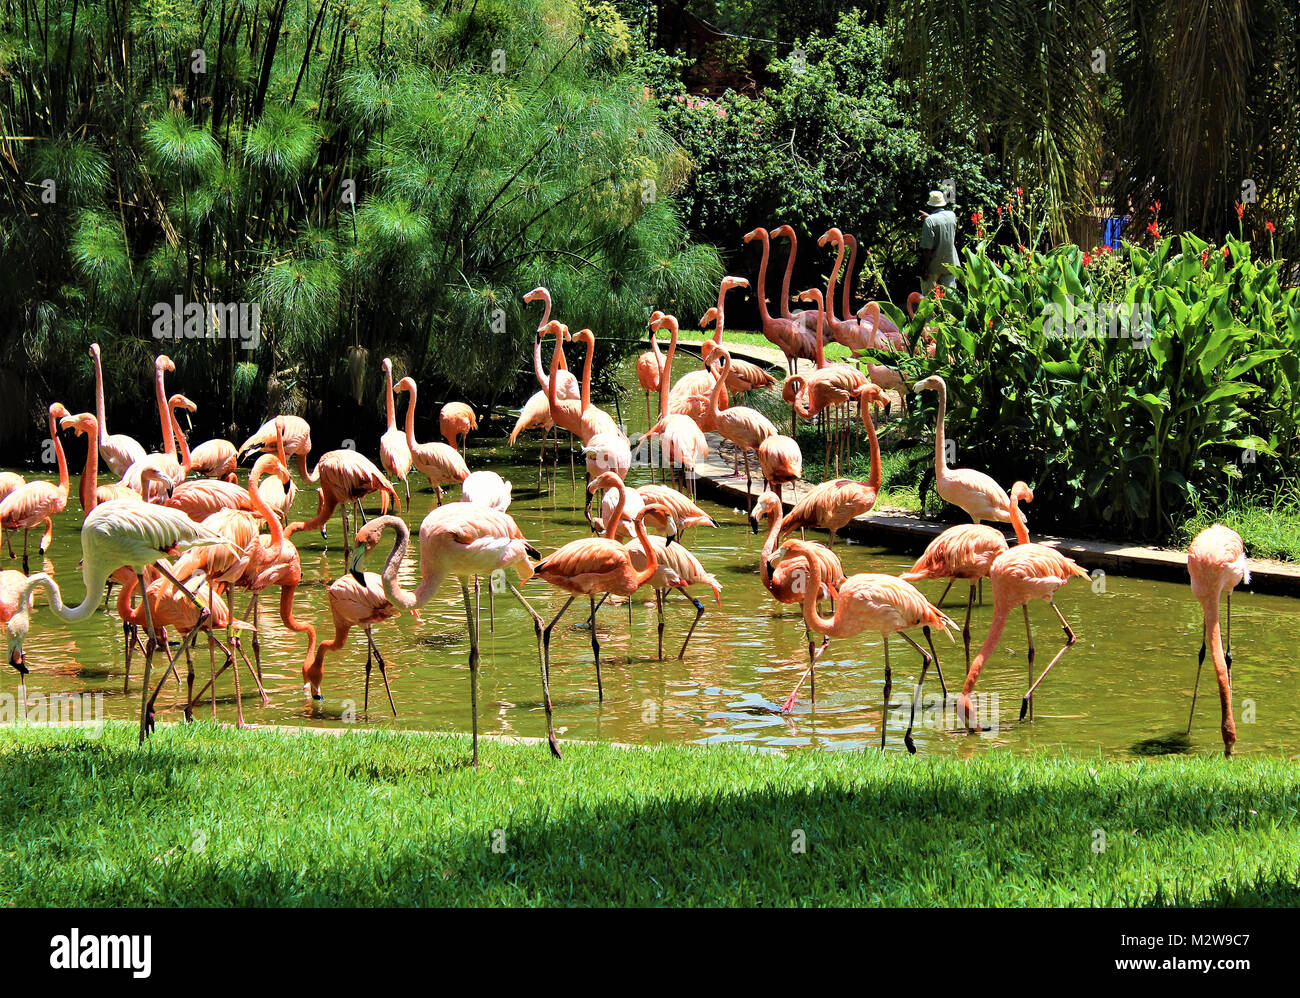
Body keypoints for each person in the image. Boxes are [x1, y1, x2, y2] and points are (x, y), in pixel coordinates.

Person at [919, 189, 959, 290]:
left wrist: (925, 269)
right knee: (950, 297)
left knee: (929, 299)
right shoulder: (952, 215)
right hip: (950, 264)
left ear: (930, 205)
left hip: (934, 265)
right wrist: (930, 217)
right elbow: (942, 223)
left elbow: (927, 249)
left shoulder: (929, 221)